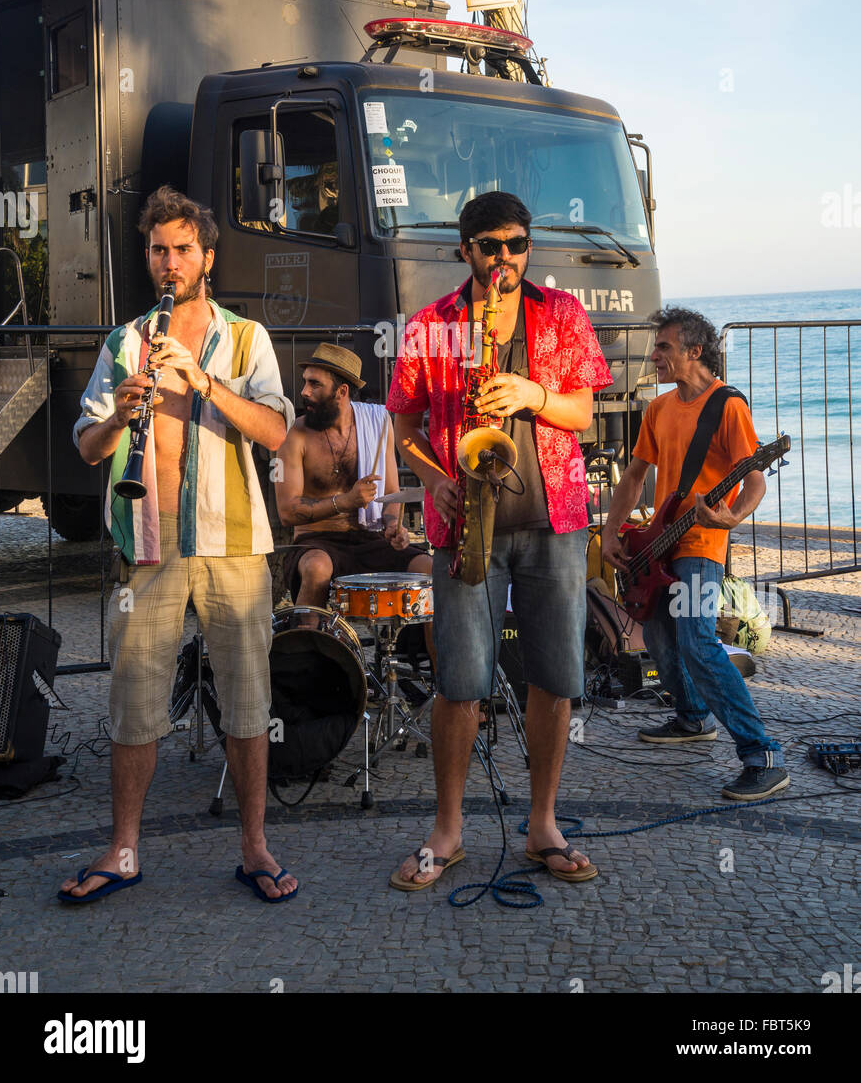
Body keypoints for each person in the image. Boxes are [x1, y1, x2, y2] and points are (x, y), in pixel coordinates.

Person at [59, 186, 299, 905]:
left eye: (182, 249)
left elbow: (275, 431)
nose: (169, 262)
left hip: (233, 547)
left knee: (248, 701)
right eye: (159, 249)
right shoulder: (123, 342)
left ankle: (254, 847)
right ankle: (123, 847)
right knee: (134, 705)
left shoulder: (248, 338)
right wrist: (120, 412)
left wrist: (206, 385)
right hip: (148, 545)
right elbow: (87, 446)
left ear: (207, 258)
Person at [386, 191, 612, 890]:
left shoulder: (563, 315)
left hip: (554, 523)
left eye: (515, 243)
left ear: (526, 247)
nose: (504, 257)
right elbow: (403, 429)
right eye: (489, 245)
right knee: (459, 683)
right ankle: (446, 831)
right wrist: (434, 481)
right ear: (465, 251)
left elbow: (582, 412)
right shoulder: (431, 326)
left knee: (553, 676)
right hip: (465, 524)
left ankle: (542, 823)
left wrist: (533, 396)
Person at [602, 307, 788, 800]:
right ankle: (691, 718)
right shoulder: (659, 410)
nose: (655, 355)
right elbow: (635, 477)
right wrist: (610, 532)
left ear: (694, 351)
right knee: (661, 637)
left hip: (702, 544)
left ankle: (762, 754)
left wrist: (732, 518)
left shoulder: (727, 406)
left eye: (663, 346)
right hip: (660, 544)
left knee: (699, 643)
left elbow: (753, 478)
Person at [274, 345, 433, 637]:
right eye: (304, 382)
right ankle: (303, 652)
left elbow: (392, 493)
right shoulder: (295, 434)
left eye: (315, 384)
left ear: (341, 391)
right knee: (318, 568)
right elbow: (287, 513)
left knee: (428, 568)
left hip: (369, 539)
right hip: (316, 541)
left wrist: (391, 525)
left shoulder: (378, 422)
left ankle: (437, 674)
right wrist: (344, 502)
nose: (304, 392)